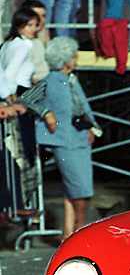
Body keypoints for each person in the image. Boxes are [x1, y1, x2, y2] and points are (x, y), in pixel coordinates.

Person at [35, 36, 101, 240]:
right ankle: (79, 232)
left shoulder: (72, 79)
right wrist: (46, 113)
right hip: (65, 140)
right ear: (64, 59)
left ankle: (69, 233)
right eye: (73, 55)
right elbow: (28, 97)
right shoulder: (50, 81)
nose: (76, 58)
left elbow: (83, 106)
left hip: (79, 138)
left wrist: (92, 127)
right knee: (81, 190)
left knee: (75, 188)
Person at [0, 7, 40, 163]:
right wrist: (11, 97)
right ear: (19, 25)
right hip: (18, 91)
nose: (33, 29)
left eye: (35, 25)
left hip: (12, 90)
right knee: (24, 139)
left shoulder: (8, 43)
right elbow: (9, 73)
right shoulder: (23, 46)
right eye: (29, 25)